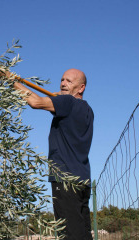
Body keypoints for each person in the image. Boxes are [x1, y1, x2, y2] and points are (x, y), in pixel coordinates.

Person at [12, 69, 94, 240]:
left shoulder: (67, 103)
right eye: (62, 80)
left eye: (69, 81)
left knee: (70, 235)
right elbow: (57, 103)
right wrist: (60, 96)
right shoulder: (86, 110)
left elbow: (35, 102)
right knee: (83, 233)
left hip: (65, 180)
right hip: (82, 180)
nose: (63, 83)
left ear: (81, 88)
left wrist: (10, 81)